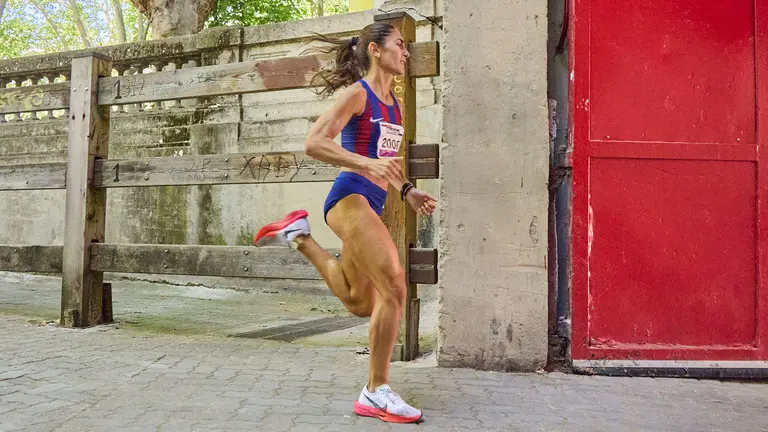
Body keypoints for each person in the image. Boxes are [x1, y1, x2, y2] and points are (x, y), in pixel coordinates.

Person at [252, 22, 436, 424]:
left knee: (359, 301)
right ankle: (375, 391)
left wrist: (407, 191)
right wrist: (364, 163)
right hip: (349, 198)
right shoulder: (358, 95)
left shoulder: (394, 105)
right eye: (399, 45)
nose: (405, 53)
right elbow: (314, 142)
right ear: (375, 50)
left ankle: (299, 235)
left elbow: (387, 160)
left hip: (374, 201)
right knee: (394, 285)